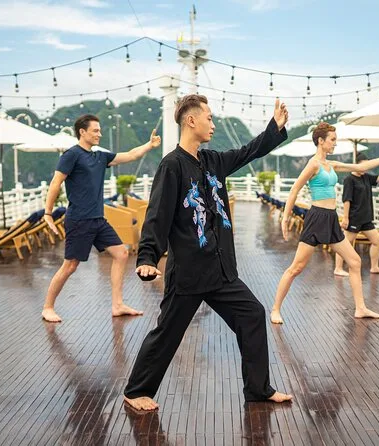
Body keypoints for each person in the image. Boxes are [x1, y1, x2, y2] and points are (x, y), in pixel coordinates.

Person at [123, 95, 293, 411]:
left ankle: (258, 389)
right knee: (167, 333)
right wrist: (147, 257)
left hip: (220, 270)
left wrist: (275, 127)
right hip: (188, 273)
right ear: (191, 120)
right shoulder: (172, 165)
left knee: (252, 315)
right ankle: (136, 391)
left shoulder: (213, 161)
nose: (213, 124)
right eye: (209, 118)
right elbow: (157, 214)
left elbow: (248, 151)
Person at [270, 122, 379, 325]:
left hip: (331, 218)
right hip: (316, 218)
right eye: (333, 140)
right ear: (321, 141)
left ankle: (360, 308)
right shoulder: (313, 164)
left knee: (354, 261)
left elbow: (360, 167)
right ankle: (275, 309)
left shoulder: (331, 164)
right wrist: (285, 218)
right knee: (296, 268)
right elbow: (294, 190)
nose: (335, 143)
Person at [41, 114, 161, 323]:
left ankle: (117, 305)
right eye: (95, 130)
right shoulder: (72, 155)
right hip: (79, 220)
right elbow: (56, 182)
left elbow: (130, 155)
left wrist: (149, 145)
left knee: (121, 254)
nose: (99, 134)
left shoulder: (100, 157)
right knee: (70, 266)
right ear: (82, 132)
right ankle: (48, 307)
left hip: (98, 219)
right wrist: (48, 212)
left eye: (99, 130)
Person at [334, 153, 379, 276]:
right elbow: (347, 199)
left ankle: (374, 267)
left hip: (366, 218)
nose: (365, 168)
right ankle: (338, 268)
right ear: (356, 165)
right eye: (363, 166)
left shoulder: (366, 177)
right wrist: (345, 218)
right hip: (354, 218)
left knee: (377, 240)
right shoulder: (349, 180)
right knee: (345, 243)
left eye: (367, 166)